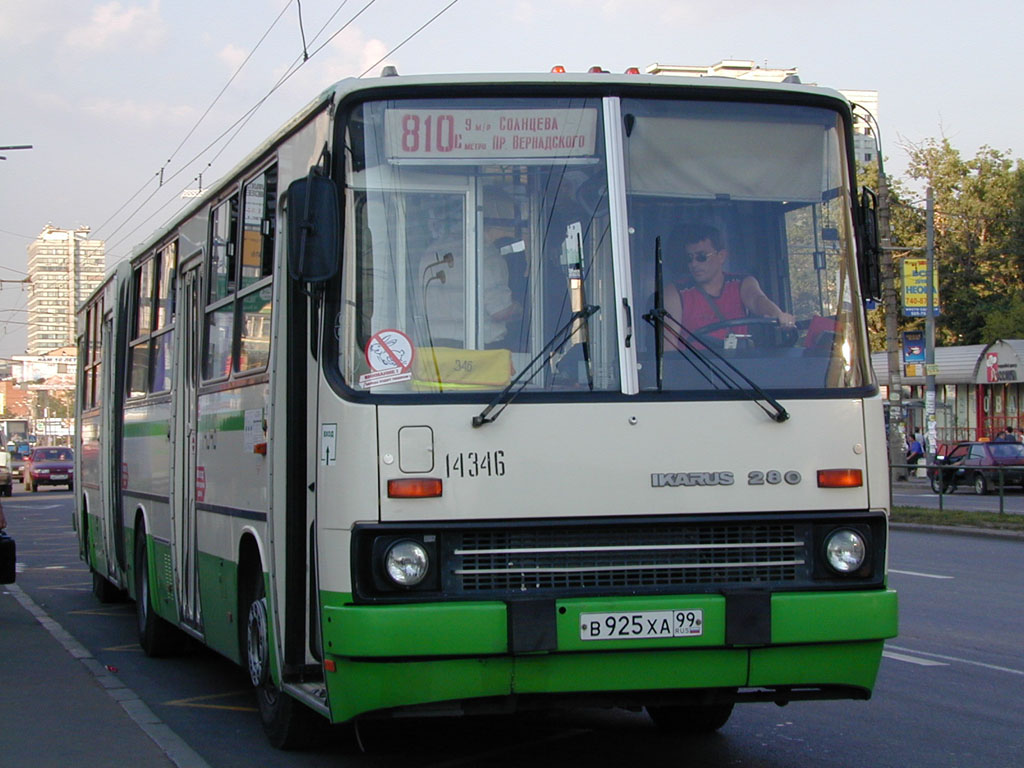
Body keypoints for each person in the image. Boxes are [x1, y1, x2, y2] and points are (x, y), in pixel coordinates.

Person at [664, 223, 795, 348]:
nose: (694, 264)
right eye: (689, 258)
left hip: (737, 367)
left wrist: (778, 315)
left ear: (721, 256)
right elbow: (668, 346)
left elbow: (757, 300)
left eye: (701, 257)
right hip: (696, 369)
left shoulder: (742, 283)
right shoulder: (675, 292)